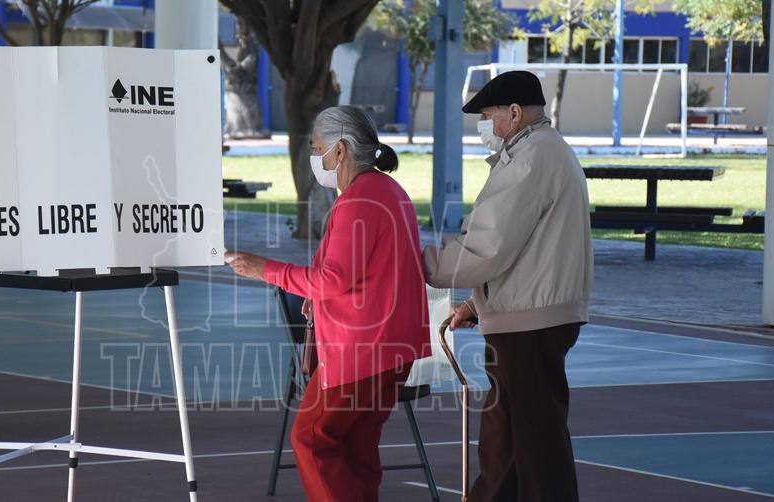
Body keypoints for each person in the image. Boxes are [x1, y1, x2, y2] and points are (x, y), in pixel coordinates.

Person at [225, 105, 431, 502]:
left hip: (361, 350)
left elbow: (331, 280)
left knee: (313, 439)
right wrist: (316, 299)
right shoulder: (390, 192)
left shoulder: (359, 200)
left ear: (340, 150)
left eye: (317, 147)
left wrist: (266, 269)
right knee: (358, 447)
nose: (314, 157)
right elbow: (369, 273)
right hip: (394, 347)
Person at [423, 71, 593, 502]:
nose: (486, 127)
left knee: (534, 440)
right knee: (506, 436)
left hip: (530, 323)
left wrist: (425, 265)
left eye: (488, 116)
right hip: (525, 316)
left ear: (514, 113)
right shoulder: (539, 153)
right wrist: (479, 305)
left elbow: (489, 243)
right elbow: (530, 248)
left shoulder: (533, 157)